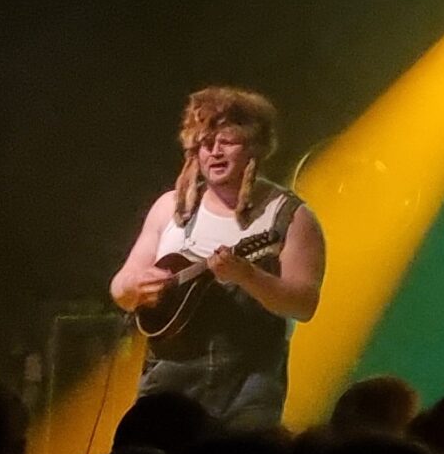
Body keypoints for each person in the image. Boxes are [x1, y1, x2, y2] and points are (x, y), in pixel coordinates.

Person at [109, 87, 325, 429]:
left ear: (255, 147)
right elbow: (121, 288)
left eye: (227, 141)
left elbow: (304, 304)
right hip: (169, 375)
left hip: (249, 382)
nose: (214, 151)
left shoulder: (290, 217)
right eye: (204, 143)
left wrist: (248, 276)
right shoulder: (170, 208)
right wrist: (133, 286)